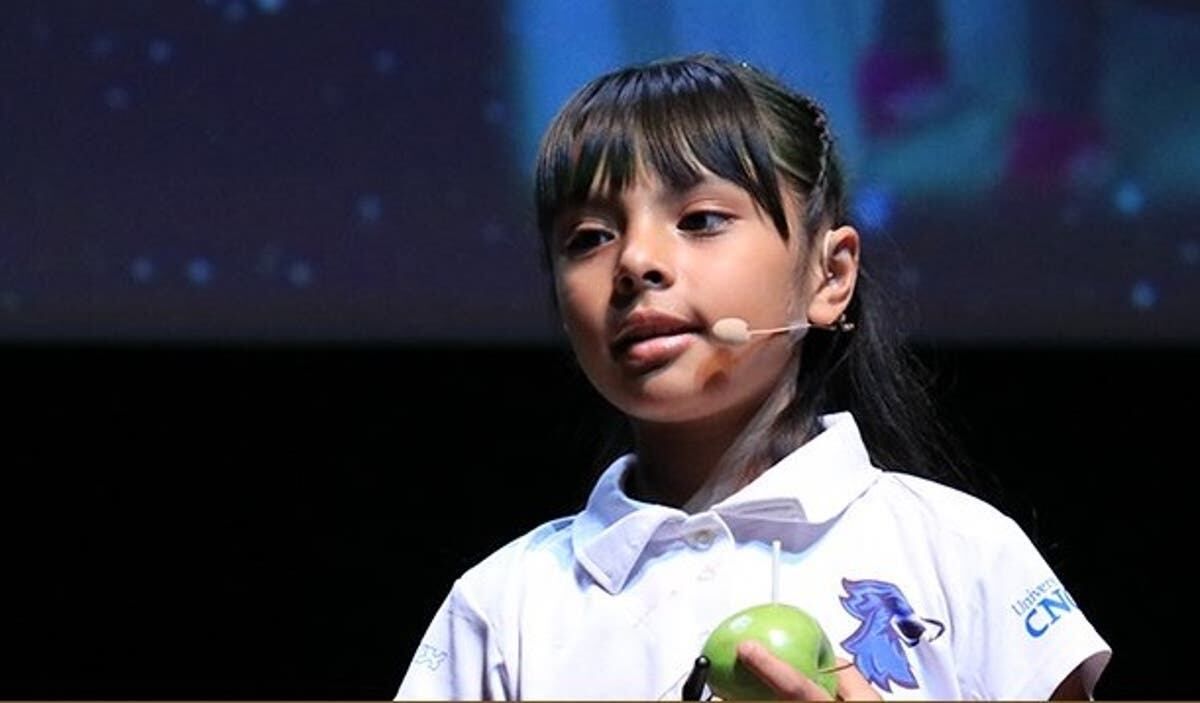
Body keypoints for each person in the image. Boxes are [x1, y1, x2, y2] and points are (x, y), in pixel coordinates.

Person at [395, 54, 1110, 700]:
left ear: (830, 276)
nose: (637, 261)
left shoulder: (966, 553)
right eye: (588, 238)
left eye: (701, 218)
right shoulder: (501, 605)